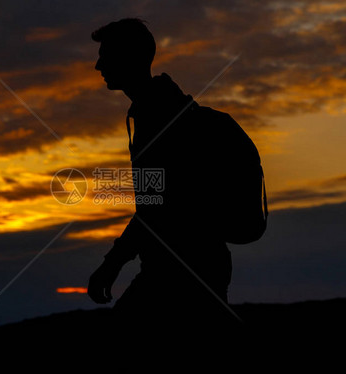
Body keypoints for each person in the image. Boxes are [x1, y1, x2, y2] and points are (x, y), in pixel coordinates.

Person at [87, 18, 237, 333]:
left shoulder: (159, 117)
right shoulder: (159, 110)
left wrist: (112, 263)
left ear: (130, 58)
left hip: (183, 269)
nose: (98, 65)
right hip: (193, 264)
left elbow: (157, 208)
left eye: (106, 55)